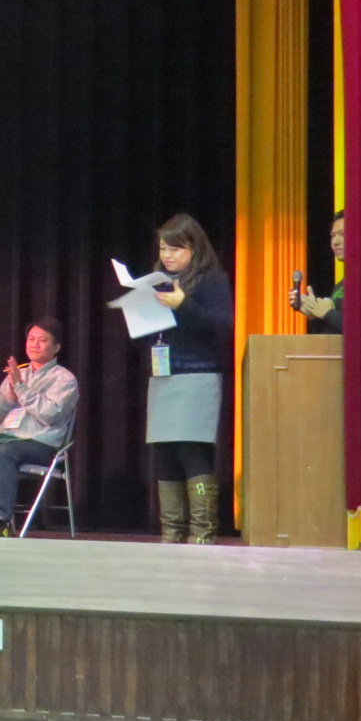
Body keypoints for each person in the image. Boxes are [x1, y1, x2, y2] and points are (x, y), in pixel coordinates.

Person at [144, 213, 234, 544]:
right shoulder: (159, 282)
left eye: (175, 249)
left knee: (192, 451)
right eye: (163, 248)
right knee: (165, 455)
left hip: (198, 376)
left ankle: (202, 535)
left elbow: (221, 325)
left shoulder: (211, 280)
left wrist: (183, 304)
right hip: (164, 377)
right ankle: (171, 534)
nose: (167, 255)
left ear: (193, 248)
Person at [0, 318, 80, 536]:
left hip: (40, 444)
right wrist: (9, 397)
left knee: (6, 452)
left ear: (56, 347)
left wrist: (21, 389)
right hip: (4, 439)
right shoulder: (19, 373)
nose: (35, 345)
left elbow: (50, 414)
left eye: (42, 340)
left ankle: (1, 520)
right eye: (31, 339)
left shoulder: (64, 379)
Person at [290, 210, 345, 334]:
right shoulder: (340, 286)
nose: (335, 242)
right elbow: (334, 331)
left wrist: (328, 314)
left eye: (343, 234)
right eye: (333, 236)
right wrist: (313, 313)